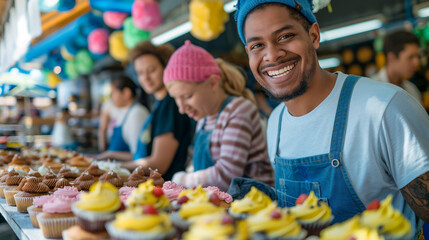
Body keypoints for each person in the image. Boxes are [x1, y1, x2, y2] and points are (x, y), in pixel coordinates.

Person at [234, 0, 429, 238]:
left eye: (284, 36)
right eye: (257, 45)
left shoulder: (385, 108)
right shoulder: (276, 122)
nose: (272, 55)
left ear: (314, 35)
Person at [164, 40, 274, 191]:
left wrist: (179, 179)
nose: (182, 109)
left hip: (254, 204)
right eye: (176, 99)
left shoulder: (239, 110)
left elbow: (226, 177)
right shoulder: (203, 118)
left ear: (213, 83)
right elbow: (197, 169)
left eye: (188, 96)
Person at [122, 41, 195, 181]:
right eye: (140, 73)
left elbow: (159, 164)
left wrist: (116, 168)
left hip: (166, 189)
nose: (146, 78)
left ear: (165, 68)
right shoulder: (159, 105)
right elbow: (144, 155)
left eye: (152, 70)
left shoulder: (170, 104)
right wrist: (109, 155)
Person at [96, 75, 149, 161]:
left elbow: (139, 155)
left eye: (112, 93)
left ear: (126, 93)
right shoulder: (123, 112)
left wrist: (111, 155)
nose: (110, 97)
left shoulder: (137, 113)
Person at [371, 30, 422, 104]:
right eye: (410, 57)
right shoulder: (372, 90)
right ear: (391, 57)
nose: (416, 62)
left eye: (417, 56)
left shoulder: (412, 89)